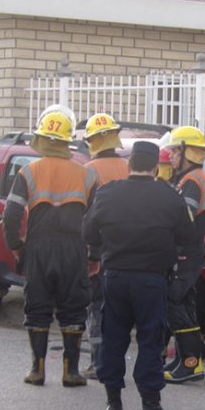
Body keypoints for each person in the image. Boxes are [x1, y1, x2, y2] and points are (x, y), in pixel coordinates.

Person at [83, 140, 194, 410]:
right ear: (156, 167)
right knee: (149, 340)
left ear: (130, 164)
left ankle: (113, 405)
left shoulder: (107, 194)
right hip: (152, 280)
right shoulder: (169, 197)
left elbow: (89, 232)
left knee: (113, 338)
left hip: (115, 277)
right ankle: (150, 406)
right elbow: (187, 236)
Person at [2, 104, 98, 387]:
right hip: (74, 248)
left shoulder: (28, 172)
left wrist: (17, 246)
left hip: (38, 248)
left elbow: (11, 215)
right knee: (73, 307)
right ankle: (70, 372)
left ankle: (37, 370)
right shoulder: (87, 174)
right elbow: (95, 219)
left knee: (38, 306)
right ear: (68, 141)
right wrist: (94, 253)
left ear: (43, 139)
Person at [163, 126, 205, 383]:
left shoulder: (192, 181)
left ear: (186, 152)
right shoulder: (190, 178)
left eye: (175, 151)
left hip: (186, 252)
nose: (171, 157)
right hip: (188, 251)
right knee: (184, 304)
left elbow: (183, 221)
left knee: (173, 302)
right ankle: (187, 360)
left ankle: (191, 364)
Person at [82, 112, 130, 380]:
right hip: (127, 249)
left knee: (97, 306)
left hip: (101, 252)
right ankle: (117, 361)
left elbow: (88, 216)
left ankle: (97, 363)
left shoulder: (89, 171)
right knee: (119, 309)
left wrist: (91, 253)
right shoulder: (128, 167)